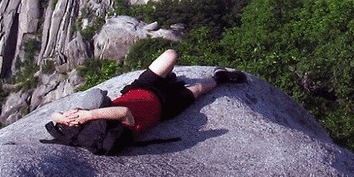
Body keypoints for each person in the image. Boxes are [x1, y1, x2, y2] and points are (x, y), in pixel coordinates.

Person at [50, 49, 246, 137]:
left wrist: (63, 117)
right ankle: (221, 77)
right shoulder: (116, 126)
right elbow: (124, 112)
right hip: (165, 106)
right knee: (198, 89)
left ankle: (168, 79)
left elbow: (52, 116)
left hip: (140, 87)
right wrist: (90, 115)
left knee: (170, 54)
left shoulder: (85, 117)